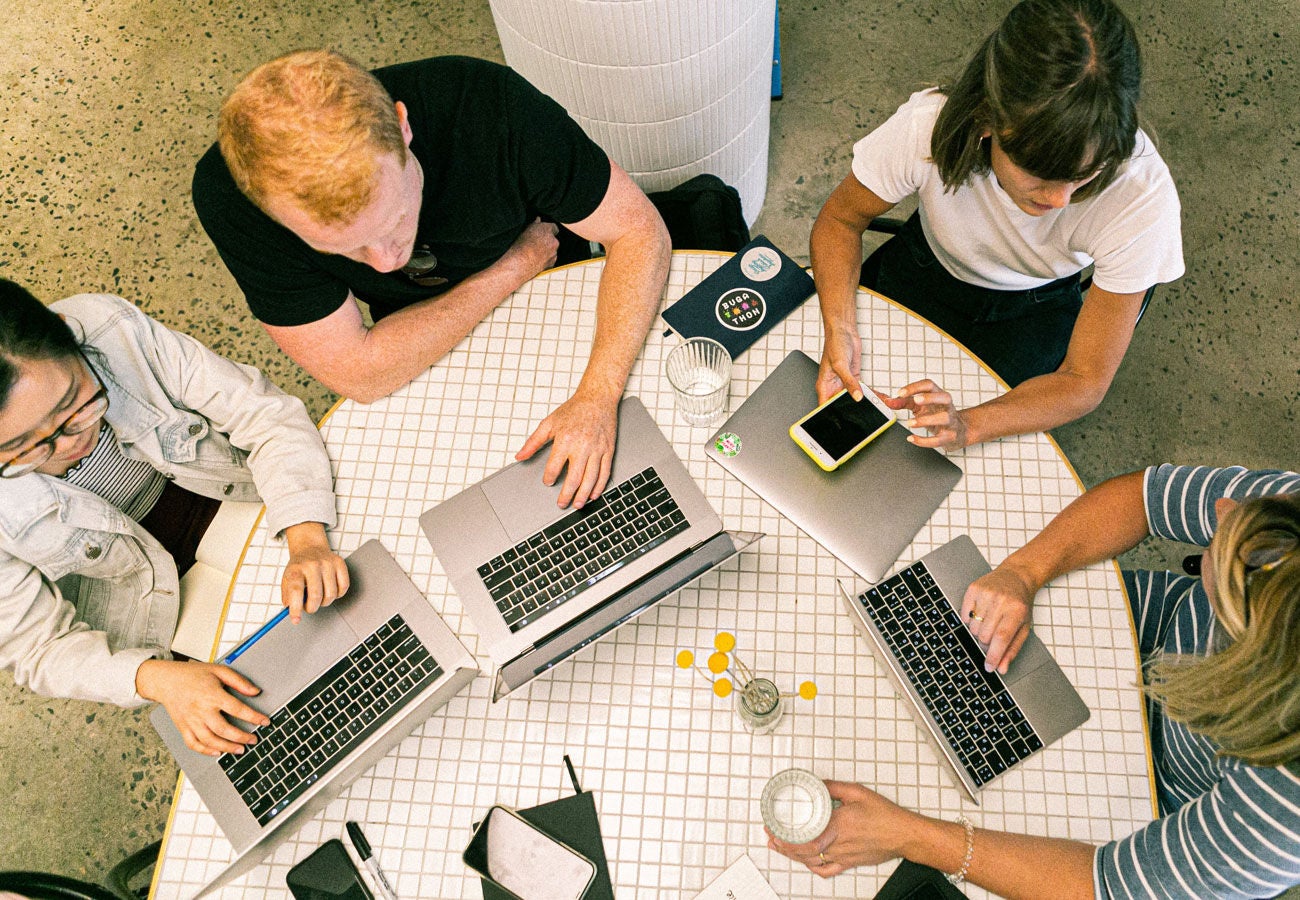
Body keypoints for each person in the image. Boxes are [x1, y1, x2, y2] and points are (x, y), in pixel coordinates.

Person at [769, 464, 1300, 898]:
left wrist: (910, 835)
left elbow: (1102, 888)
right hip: (1130, 626)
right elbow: (1143, 495)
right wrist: (1022, 573)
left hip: (1144, 794)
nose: (1224, 511)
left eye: (1246, 562)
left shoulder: (1284, 819)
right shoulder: (1287, 514)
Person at [193, 51, 671, 510]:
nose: (384, 263)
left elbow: (638, 231)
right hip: (447, 324)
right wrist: (515, 265)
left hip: (563, 289)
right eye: (344, 248)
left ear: (403, 129)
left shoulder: (487, 105)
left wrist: (596, 397)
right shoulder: (231, 196)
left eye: (395, 219)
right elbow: (358, 374)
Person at [811, 0, 1183, 451]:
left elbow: (1084, 380)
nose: (1059, 199)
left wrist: (969, 424)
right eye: (1039, 172)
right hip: (921, 267)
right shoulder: (927, 126)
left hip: (1034, 310)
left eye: (1085, 175)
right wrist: (841, 326)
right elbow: (840, 221)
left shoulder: (1141, 195)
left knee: (956, 459)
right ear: (986, 121)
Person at [0, 280, 349, 758]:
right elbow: (35, 647)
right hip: (142, 608)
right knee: (287, 727)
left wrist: (306, 535)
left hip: (230, 494)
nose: (68, 446)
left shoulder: (108, 328)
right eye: (22, 449)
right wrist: (155, 677)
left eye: (73, 408)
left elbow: (264, 416)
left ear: (68, 335)